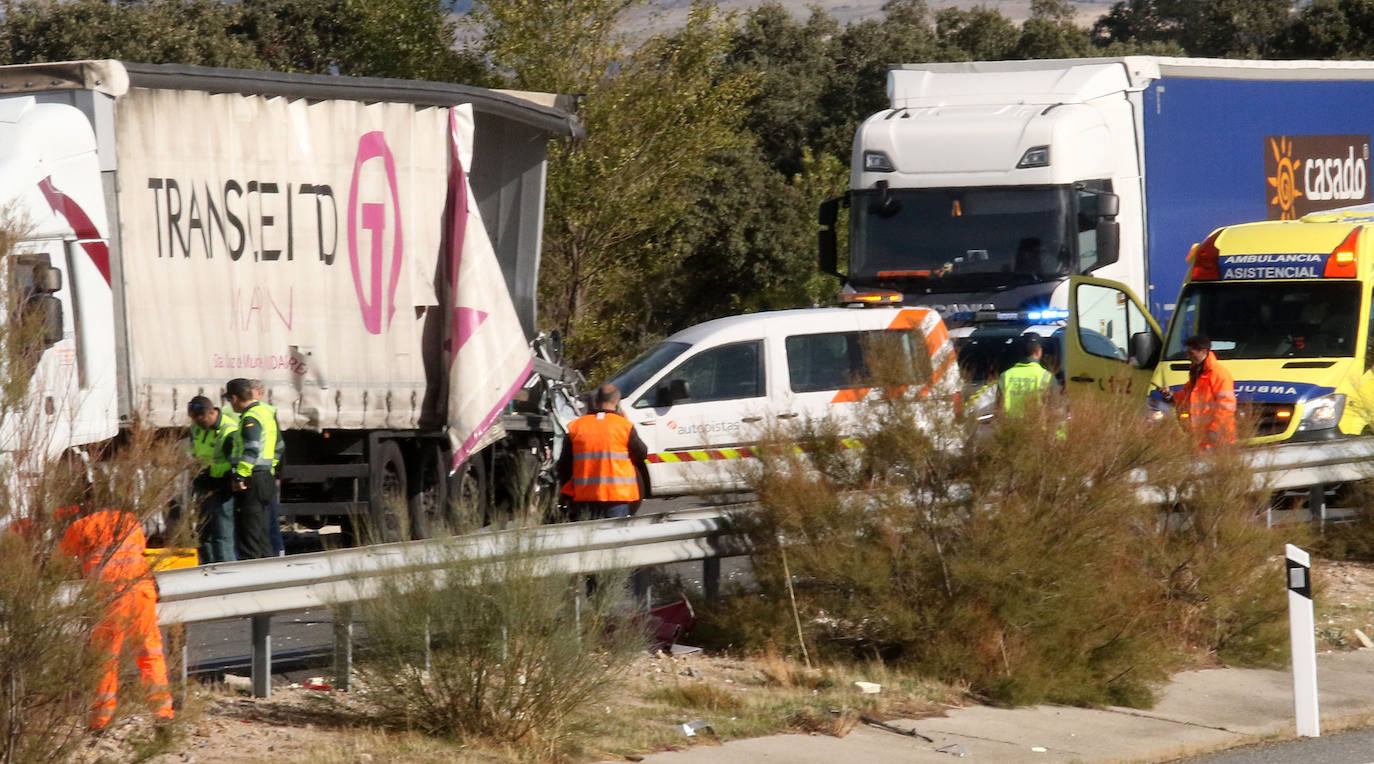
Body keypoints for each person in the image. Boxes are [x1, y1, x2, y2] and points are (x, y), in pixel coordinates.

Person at [59, 504, 174, 730]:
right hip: (142, 591)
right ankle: (163, 715)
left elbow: (58, 564)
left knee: (105, 660)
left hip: (108, 597)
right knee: (151, 654)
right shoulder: (129, 518)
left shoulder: (79, 527)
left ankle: (100, 722)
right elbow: (138, 550)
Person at [558, 384, 647, 520]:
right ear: (617, 402)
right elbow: (641, 454)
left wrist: (566, 494)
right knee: (614, 538)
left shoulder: (576, 427)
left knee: (588, 539)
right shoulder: (624, 426)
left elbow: (563, 466)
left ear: (596, 400)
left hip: (584, 498)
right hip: (616, 498)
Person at [224, 378, 276, 559]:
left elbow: (252, 449)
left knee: (250, 537)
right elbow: (278, 448)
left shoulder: (250, 417)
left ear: (235, 398)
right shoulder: (265, 413)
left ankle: (253, 578)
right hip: (264, 477)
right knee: (262, 535)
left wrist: (240, 476)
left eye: (229, 401)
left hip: (251, 481)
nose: (230, 405)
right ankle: (269, 576)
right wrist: (269, 469)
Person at [1160, 334, 1236, 448]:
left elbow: (1227, 406)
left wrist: (1215, 429)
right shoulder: (1197, 372)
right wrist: (1170, 396)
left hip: (1219, 439)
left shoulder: (1218, 374)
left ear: (1203, 351)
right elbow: (1187, 398)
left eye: (1191, 353)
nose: (1187, 356)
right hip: (1202, 438)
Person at [187, 396, 238, 564]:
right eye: (193, 418)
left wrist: (210, 471)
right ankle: (207, 572)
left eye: (199, 418)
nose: (196, 422)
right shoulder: (196, 428)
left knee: (221, 536)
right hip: (203, 487)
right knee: (203, 537)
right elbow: (194, 452)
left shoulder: (228, 430)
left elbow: (234, 463)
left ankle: (227, 575)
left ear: (211, 413)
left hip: (221, 488)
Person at [249, 380, 285, 556]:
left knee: (266, 520)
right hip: (260, 473)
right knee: (265, 520)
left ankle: (274, 553)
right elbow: (279, 446)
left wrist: (275, 470)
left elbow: (278, 445)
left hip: (258, 474)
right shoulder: (266, 412)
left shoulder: (260, 413)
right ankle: (274, 554)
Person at [998, 335, 1054, 418]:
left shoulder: (1005, 376)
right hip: (1038, 428)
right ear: (1038, 352)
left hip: (1010, 428)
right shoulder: (1047, 376)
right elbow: (1055, 409)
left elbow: (998, 408)